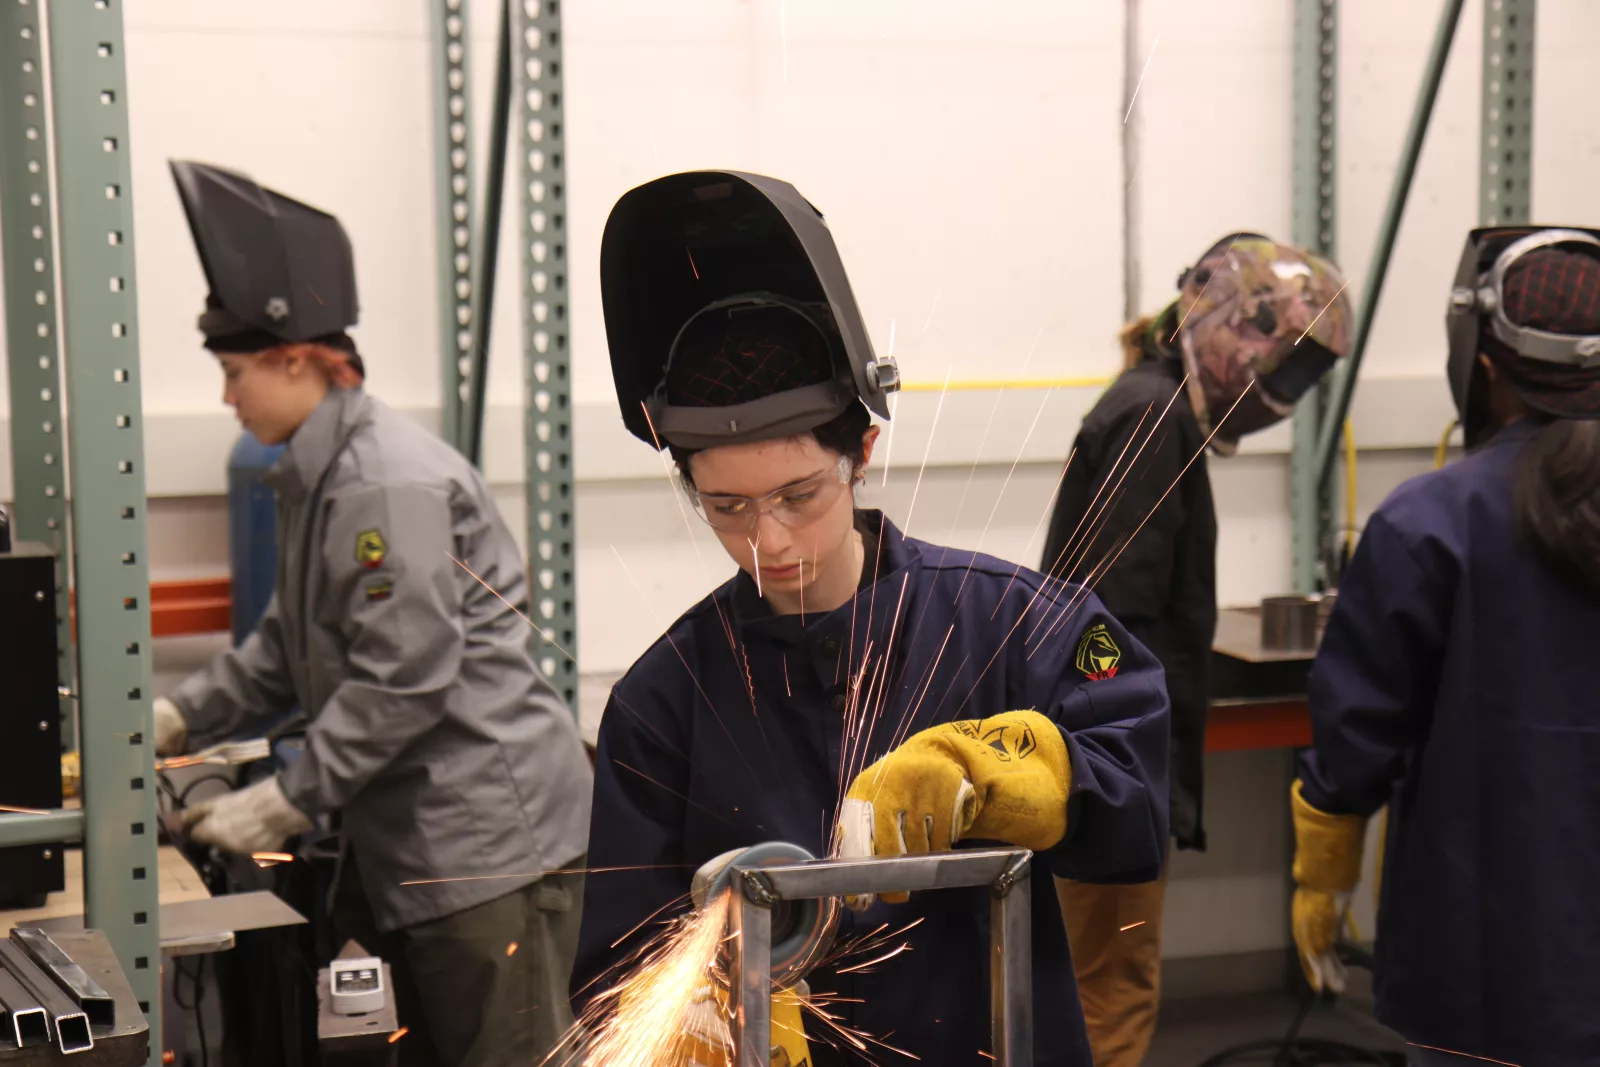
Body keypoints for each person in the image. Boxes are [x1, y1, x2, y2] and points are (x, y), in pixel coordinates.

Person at [571, 170, 1171, 1067]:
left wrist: (1021, 767)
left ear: (862, 450)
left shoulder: (1007, 619)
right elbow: (619, 967)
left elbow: (1138, 814)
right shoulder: (666, 701)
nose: (767, 541)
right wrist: (694, 1019)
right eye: (726, 507)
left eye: (797, 495)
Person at [152, 160, 593, 1067]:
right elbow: (289, 644)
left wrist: (286, 800)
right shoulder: (318, 471)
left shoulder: (384, 482)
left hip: (487, 849)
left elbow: (406, 675)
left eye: (237, 372)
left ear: (297, 358)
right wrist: (179, 715)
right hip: (426, 847)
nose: (227, 395)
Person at [1040, 234, 1352, 1067]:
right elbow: (1102, 622)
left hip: (1107, 761)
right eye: (1282, 365)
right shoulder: (1152, 416)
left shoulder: (1159, 406)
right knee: (1112, 990)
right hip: (1109, 771)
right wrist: (1116, 754)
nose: (1282, 391)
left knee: (1101, 981)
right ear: (1225, 325)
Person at [1291, 227, 1600, 1066]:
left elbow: (1356, 736)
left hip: (1489, 969)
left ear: (1484, 361)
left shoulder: (1431, 521)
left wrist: (1323, 872)